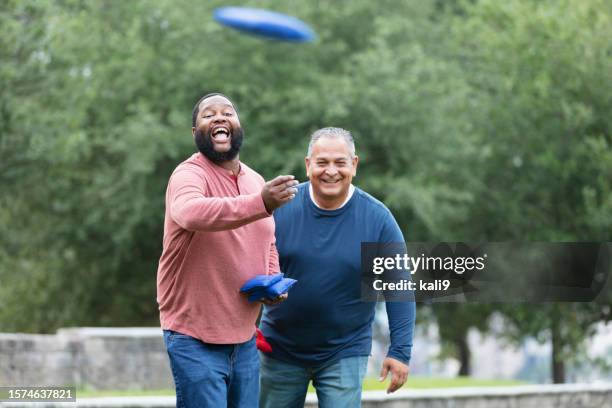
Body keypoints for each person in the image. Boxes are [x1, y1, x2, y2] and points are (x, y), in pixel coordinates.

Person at [156, 93, 297, 408]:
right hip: (194, 337)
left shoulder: (254, 180)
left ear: (238, 127)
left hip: (245, 339)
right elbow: (192, 213)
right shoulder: (189, 175)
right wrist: (261, 202)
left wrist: (272, 279)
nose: (219, 118)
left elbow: (267, 238)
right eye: (208, 115)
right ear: (196, 133)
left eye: (227, 112)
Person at [259, 127, 416, 407]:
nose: (331, 171)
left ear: (354, 165)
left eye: (340, 162)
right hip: (279, 349)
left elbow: (399, 287)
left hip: (344, 350)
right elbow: (249, 266)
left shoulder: (378, 220)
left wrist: (400, 351)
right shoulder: (280, 209)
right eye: (322, 162)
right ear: (308, 166)